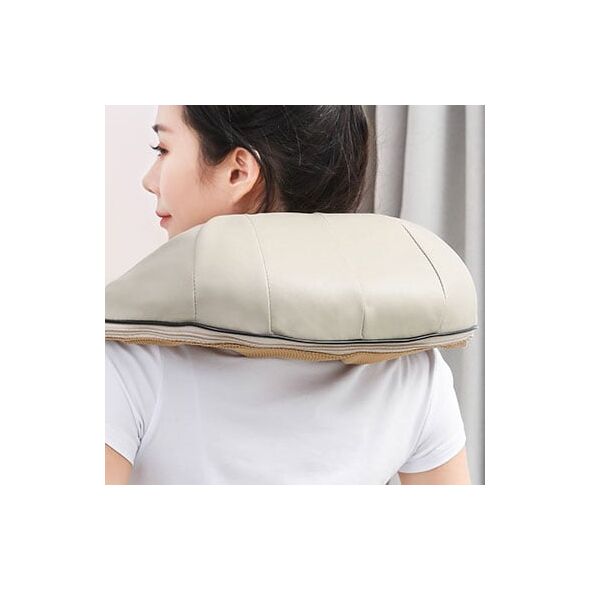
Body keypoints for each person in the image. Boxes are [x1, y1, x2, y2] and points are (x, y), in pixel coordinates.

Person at [105, 105, 471, 485]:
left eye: (163, 149)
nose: (150, 180)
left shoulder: (128, 361)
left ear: (238, 172)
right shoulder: (413, 369)